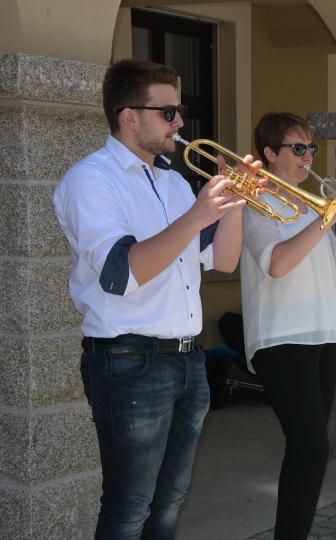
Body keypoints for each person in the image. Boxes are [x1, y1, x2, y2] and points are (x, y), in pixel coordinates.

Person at [52, 58, 261, 538]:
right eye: (169, 113)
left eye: (181, 111)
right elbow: (119, 274)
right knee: (129, 510)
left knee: (169, 504)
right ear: (130, 117)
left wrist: (236, 204)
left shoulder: (170, 180)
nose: (181, 124)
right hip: (130, 362)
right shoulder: (92, 179)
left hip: (188, 359)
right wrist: (198, 213)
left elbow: (224, 260)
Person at [241, 112, 336, 539]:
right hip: (280, 338)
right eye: (298, 148)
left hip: (323, 334)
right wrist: (326, 219)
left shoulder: (311, 203)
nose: (308, 156)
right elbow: (277, 264)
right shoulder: (258, 202)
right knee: (311, 448)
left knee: (309, 451)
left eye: (311, 148)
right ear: (270, 153)